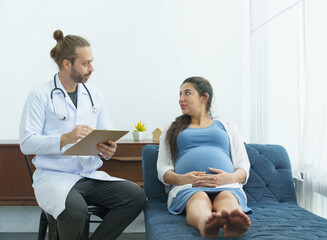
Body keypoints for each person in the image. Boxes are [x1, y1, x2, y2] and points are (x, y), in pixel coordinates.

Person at [19, 30, 146, 240]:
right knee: (75, 210)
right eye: (85, 63)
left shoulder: (95, 94)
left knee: (136, 196)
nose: (91, 68)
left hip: (89, 175)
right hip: (54, 177)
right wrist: (66, 138)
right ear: (67, 64)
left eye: (92, 62)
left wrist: (108, 149)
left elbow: (105, 134)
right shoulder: (39, 96)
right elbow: (27, 144)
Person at [157, 77, 252, 238]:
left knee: (226, 197)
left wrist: (228, 178)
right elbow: (162, 168)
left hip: (226, 186)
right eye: (180, 94)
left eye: (187, 93)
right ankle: (206, 224)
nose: (181, 99)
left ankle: (232, 223)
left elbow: (243, 166)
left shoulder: (227, 126)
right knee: (198, 198)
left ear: (204, 97)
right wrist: (185, 179)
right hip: (189, 188)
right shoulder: (171, 129)